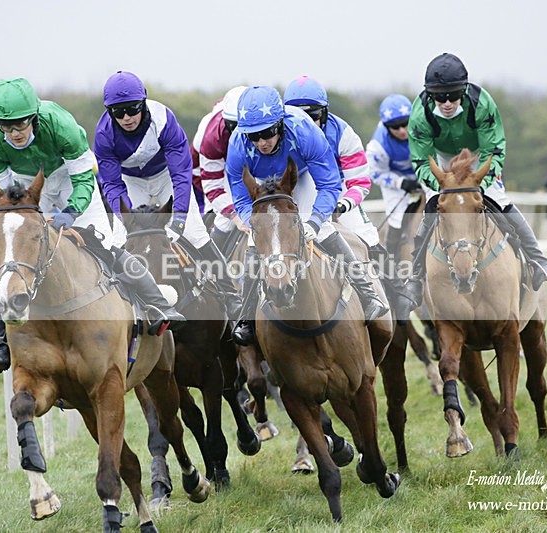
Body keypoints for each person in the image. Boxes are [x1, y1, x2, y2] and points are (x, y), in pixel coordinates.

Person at [0, 78, 184, 373]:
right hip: (25, 186)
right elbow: (1, 197)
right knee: (18, 258)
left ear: (34, 116)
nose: (15, 133)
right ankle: (3, 342)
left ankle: (157, 305)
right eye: (5, 127)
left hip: (69, 180)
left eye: (21, 124)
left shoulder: (61, 125)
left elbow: (85, 180)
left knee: (106, 247)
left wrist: (70, 213)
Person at [398, 53, 547, 322]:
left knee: (500, 200)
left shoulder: (482, 103)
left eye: (452, 96)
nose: (446, 103)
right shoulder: (420, 112)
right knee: (431, 209)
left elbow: (493, 150)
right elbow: (421, 160)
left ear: (463, 90)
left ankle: (537, 259)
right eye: (439, 97)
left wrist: (476, 184)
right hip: (441, 160)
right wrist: (444, 184)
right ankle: (415, 278)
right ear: (430, 95)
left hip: (478, 157)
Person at [226, 85, 389, 345]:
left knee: (324, 230)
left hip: (301, 176)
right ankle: (246, 319)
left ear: (280, 124)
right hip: (264, 186)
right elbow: (241, 198)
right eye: (254, 137)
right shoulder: (237, 145)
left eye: (267, 133)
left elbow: (329, 185)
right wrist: (255, 225)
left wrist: (314, 221)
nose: (261, 142)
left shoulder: (303, 130)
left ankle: (367, 293)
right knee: (253, 242)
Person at [94, 71, 244, 326]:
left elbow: (181, 175)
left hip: (167, 177)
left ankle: (230, 296)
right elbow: (112, 184)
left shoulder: (163, 119)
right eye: (118, 112)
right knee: (119, 240)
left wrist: (180, 219)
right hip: (131, 183)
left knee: (196, 233)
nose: (127, 117)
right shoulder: (104, 134)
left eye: (132, 109)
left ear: (143, 103)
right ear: (110, 112)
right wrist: (126, 218)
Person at [284, 76, 409, 319]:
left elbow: (360, 181)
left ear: (324, 112)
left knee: (367, 237)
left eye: (312, 115)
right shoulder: (280, 134)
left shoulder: (342, 133)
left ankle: (397, 293)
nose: (306, 122)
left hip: (338, 188)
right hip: (298, 187)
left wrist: (342, 205)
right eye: (299, 115)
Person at [365, 93, 428, 288]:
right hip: (394, 180)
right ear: (386, 126)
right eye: (395, 127)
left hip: (424, 172)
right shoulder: (377, 146)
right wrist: (401, 183)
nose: (402, 130)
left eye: (405, 124)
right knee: (397, 217)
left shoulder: (426, 127)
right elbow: (375, 174)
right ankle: (390, 266)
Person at [191, 85, 250, 254]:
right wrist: (236, 218)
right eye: (234, 127)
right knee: (226, 220)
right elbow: (213, 187)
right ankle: (210, 266)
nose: (240, 134)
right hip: (204, 172)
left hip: (241, 163)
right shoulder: (212, 137)